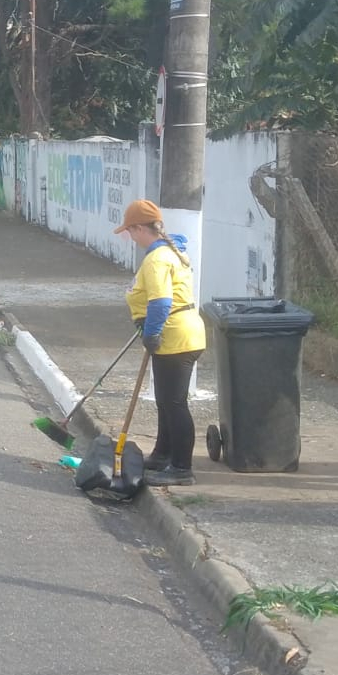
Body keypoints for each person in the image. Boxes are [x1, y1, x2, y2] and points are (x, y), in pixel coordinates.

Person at [117, 199, 205, 487]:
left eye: (130, 231)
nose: (130, 237)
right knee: (165, 401)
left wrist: (152, 332)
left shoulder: (157, 259)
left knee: (174, 403)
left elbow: (161, 301)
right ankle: (162, 454)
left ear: (140, 229)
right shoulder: (169, 251)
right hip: (180, 334)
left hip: (175, 337)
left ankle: (181, 468)